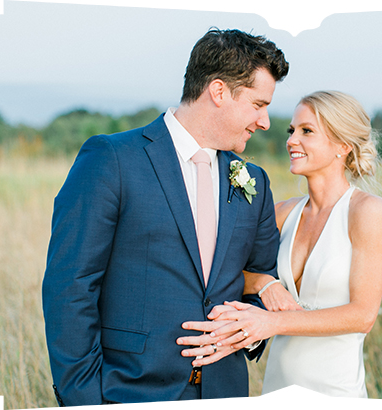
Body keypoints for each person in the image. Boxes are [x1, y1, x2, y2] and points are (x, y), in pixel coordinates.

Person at [42, 28, 289, 405]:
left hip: (224, 393)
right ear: (219, 92)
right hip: (128, 392)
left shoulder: (253, 181)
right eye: (258, 104)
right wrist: (85, 398)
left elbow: (260, 279)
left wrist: (249, 332)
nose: (266, 121)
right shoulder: (113, 159)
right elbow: (71, 285)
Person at [180, 91, 382, 397]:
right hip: (279, 384)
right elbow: (224, 273)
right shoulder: (282, 213)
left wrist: (271, 322)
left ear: (343, 146)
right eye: (292, 131)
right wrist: (265, 282)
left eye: (307, 131)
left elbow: (363, 315)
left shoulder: (366, 211)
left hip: (334, 387)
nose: (292, 141)